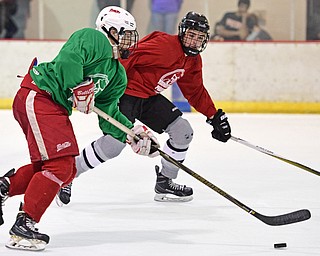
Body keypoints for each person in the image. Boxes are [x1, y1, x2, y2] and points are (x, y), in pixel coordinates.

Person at [0, 6, 159, 251]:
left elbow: (109, 115)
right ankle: (24, 226)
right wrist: (78, 86)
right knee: (61, 165)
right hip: (40, 94)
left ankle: (4, 188)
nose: (130, 41)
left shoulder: (117, 74)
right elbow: (69, 59)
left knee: (55, 167)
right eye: (126, 34)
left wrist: (132, 133)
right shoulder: (94, 38)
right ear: (111, 30)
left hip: (51, 105)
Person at [58, 11, 231, 205]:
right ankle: (67, 174)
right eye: (191, 35)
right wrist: (103, 87)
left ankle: (165, 182)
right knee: (114, 144)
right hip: (125, 93)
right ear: (182, 33)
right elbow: (125, 58)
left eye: (199, 38)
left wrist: (213, 116)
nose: (194, 42)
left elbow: (195, 90)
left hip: (149, 98)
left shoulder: (193, 60)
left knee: (183, 132)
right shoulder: (164, 46)